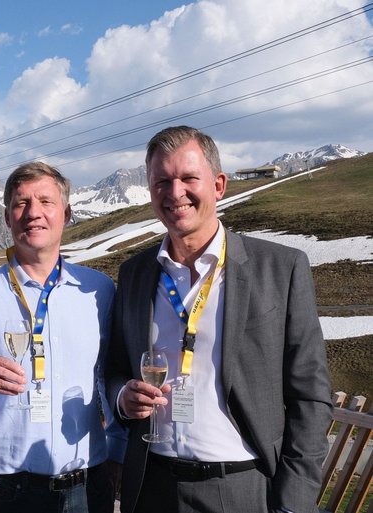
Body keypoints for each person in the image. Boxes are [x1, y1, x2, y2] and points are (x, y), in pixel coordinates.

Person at [105, 126, 332, 513]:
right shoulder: (134, 273)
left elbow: (310, 395)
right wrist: (122, 399)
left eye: (188, 178)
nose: (175, 192)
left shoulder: (280, 268)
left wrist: (294, 501)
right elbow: (115, 368)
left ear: (219, 185)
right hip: (151, 487)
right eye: (162, 181)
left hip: (242, 486)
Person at [0, 162, 125, 513]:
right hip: (6, 489)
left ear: (66, 214)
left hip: (88, 483)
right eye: (21, 203)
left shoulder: (98, 291)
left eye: (46, 202)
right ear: (7, 217)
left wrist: (117, 447)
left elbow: (112, 375)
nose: (33, 212)